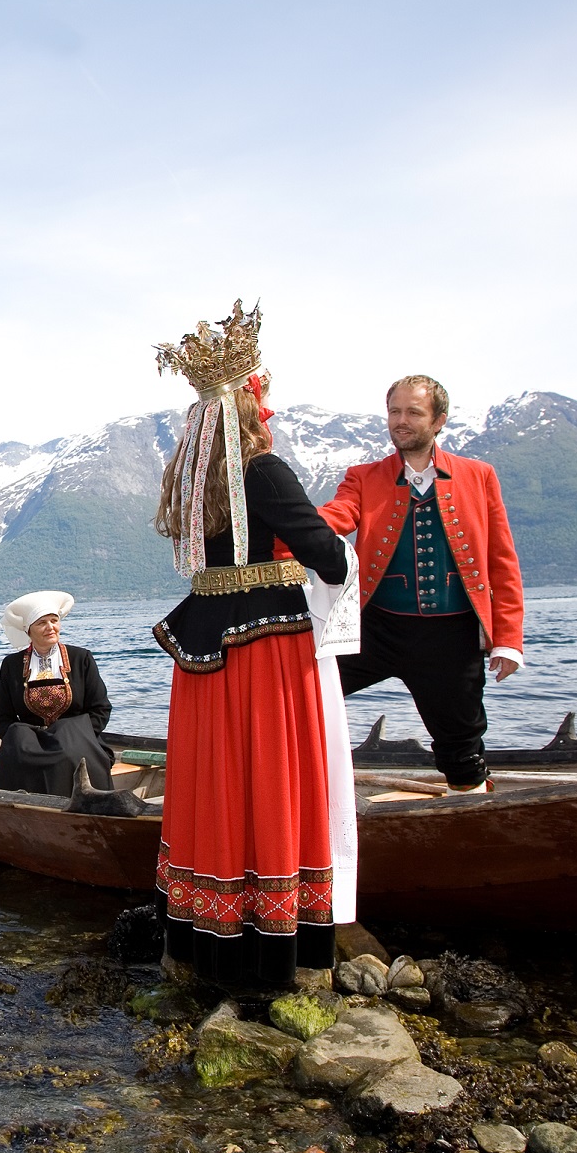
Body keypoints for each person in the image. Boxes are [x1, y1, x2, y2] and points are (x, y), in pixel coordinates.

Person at [150, 301, 355, 990]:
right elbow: (327, 556)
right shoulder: (262, 472)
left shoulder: (189, 479)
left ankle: (201, 939)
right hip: (266, 652)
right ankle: (274, 947)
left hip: (203, 646)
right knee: (267, 779)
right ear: (249, 405)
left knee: (212, 782)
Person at [317, 375, 523, 793]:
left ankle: (472, 812)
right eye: (394, 411)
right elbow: (337, 516)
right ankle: (298, 792)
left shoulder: (479, 475)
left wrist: (508, 640)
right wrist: (286, 527)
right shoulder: (363, 476)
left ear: (438, 420)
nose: (400, 421)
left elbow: (502, 561)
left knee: (461, 748)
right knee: (306, 692)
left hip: (451, 636)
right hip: (375, 627)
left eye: (413, 412)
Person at [0, 591, 114, 796]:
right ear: (29, 630)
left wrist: (75, 734)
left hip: (77, 740)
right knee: (14, 754)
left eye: (54, 621)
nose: (50, 627)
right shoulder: (11, 665)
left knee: (68, 755)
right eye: (42, 623)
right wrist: (22, 739)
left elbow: (100, 709)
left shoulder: (81, 658)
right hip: (31, 744)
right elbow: (3, 717)